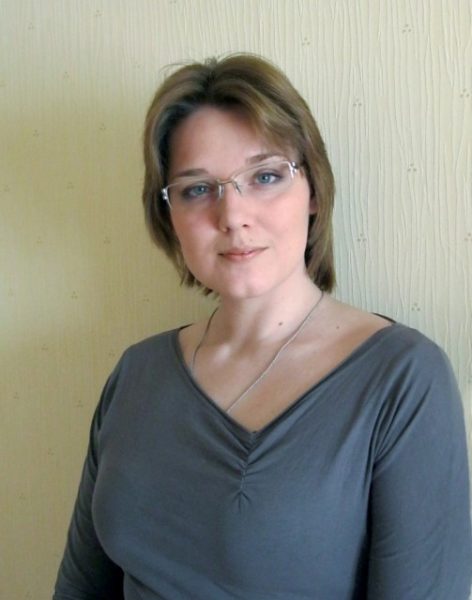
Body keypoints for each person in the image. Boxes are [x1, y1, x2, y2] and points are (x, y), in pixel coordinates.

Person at [53, 54, 472, 599]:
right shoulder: (136, 373)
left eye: (266, 177)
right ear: (170, 216)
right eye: (197, 189)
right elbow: (81, 586)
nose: (232, 216)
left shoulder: (401, 378)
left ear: (314, 190)